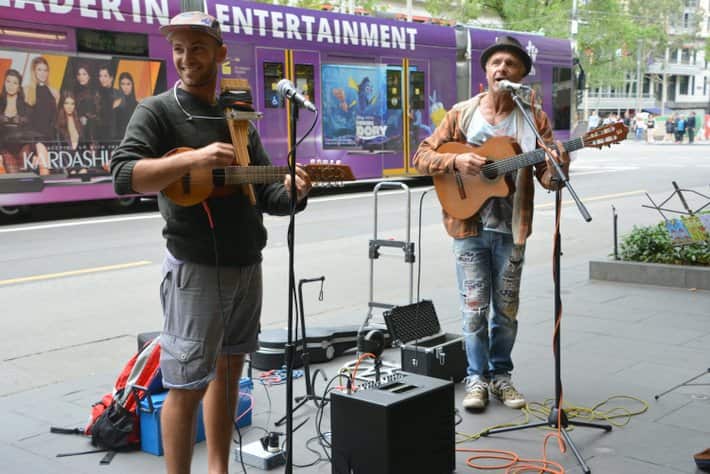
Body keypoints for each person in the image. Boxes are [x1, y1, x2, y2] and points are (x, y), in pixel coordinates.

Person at [110, 11, 312, 474]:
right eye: (178, 48)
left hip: (247, 264)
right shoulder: (157, 111)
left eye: (197, 48)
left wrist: (294, 192)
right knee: (186, 384)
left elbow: (266, 194)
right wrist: (195, 158)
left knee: (228, 378)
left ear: (220, 53)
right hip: (196, 268)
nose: (186, 58)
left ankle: (218, 469)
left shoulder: (236, 117)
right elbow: (124, 176)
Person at [412, 35, 570, 411]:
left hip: (511, 229)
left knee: (507, 309)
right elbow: (421, 156)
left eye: (511, 64)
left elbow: (548, 180)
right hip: (467, 225)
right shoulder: (461, 113)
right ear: (486, 72)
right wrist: (455, 162)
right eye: (496, 62)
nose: (502, 68)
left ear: (522, 75)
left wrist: (559, 164)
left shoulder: (534, 117)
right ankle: (476, 378)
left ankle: (501, 376)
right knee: (474, 308)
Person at [0, 69, 48, 175]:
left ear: (19, 87)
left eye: (15, 83)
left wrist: (36, 152)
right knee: (14, 176)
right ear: (4, 83)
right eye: (8, 81)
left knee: (24, 169)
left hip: (24, 146)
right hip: (5, 148)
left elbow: (35, 131)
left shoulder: (27, 108)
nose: (11, 85)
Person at [24, 56, 59, 141]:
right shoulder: (26, 90)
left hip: (50, 137)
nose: (43, 73)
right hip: (31, 138)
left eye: (45, 70)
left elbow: (55, 119)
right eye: (39, 69)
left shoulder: (54, 92)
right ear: (34, 71)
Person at [96, 66, 120, 142]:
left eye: (105, 76)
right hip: (103, 134)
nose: (102, 79)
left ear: (111, 78)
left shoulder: (118, 94)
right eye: (100, 76)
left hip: (117, 135)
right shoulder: (97, 94)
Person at [114, 72, 138, 137]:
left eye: (128, 84)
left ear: (132, 85)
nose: (125, 87)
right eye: (123, 84)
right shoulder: (115, 104)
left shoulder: (138, 105)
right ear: (119, 85)